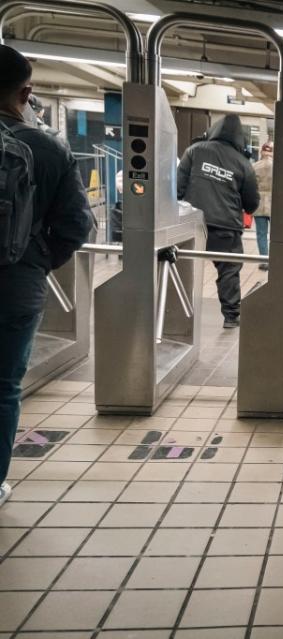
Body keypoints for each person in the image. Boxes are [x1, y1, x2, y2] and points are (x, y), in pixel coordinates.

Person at [0, 45, 94, 507]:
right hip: (15, 282)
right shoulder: (47, 146)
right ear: (25, 92)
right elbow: (77, 224)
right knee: (2, 387)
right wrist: (35, 260)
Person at [177, 114, 259, 328]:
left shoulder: (194, 151)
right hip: (226, 227)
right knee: (229, 270)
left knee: (181, 264)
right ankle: (231, 316)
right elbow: (251, 203)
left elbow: (176, 188)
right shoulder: (244, 164)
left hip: (191, 223)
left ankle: (175, 310)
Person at [252, 141, 273, 271]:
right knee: (276, 235)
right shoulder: (278, 167)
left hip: (259, 203)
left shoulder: (254, 166)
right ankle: (275, 258)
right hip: (274, 204)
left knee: (261, 234)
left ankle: (264, 261)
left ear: (261, 152)